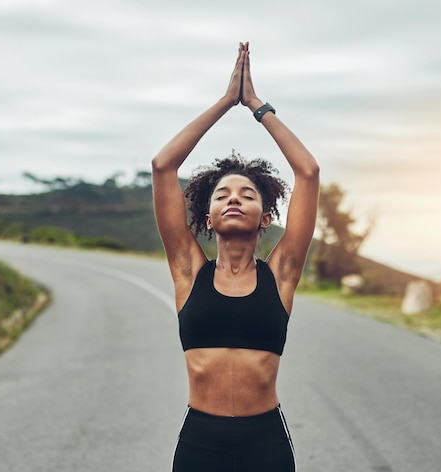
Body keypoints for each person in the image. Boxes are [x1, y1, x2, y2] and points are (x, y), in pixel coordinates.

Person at [151, 41, 320, 472]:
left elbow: (308, 172)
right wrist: (226, 102)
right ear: (206, 214)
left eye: (247, 195)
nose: (233, 199)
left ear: (265, 217)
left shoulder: (281, 275)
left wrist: (257, 106)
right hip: (200, 443)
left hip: (264, 443)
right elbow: (163, 166)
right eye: (222, 194)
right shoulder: (189, 271)